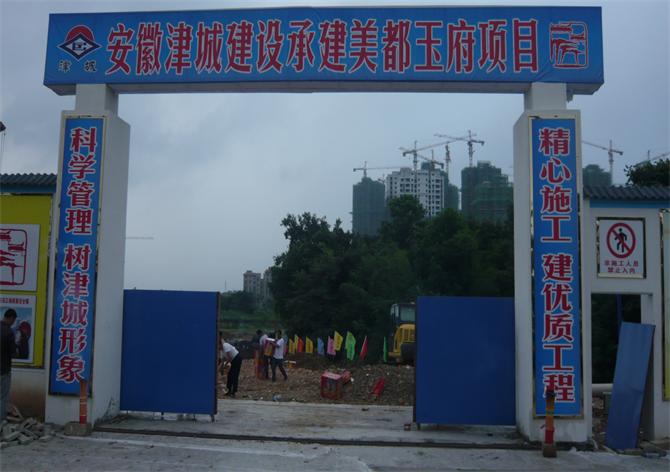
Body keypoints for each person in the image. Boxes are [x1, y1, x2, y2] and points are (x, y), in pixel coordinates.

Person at [1, 309, 17, 424]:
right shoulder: (9, 332)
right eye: (14, 320)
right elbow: (13, 352)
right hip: (3, 370)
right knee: (3, 397)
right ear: (11, 318)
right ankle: (1, 422)